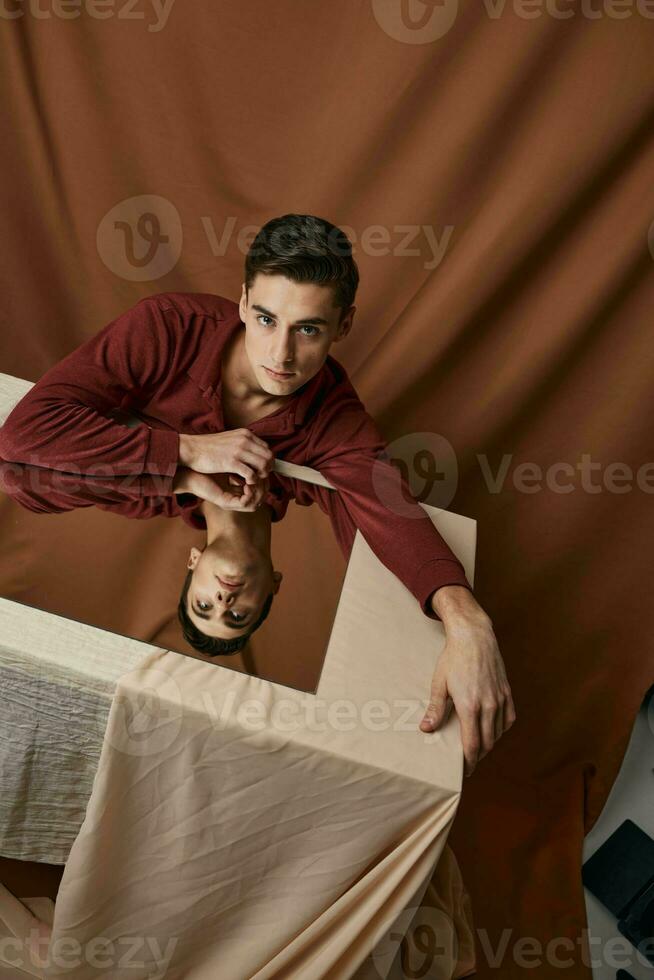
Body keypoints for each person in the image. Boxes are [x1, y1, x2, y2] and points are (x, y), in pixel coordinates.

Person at [0, 213, 516, 776]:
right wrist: (192, 451)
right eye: (267, 318)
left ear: (343, 327)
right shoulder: (170, 328)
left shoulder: (324, 423)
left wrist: (466, 621)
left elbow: (390, 522)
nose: (281, 353)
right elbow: (24, 435)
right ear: (243, 301)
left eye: (309, 329)